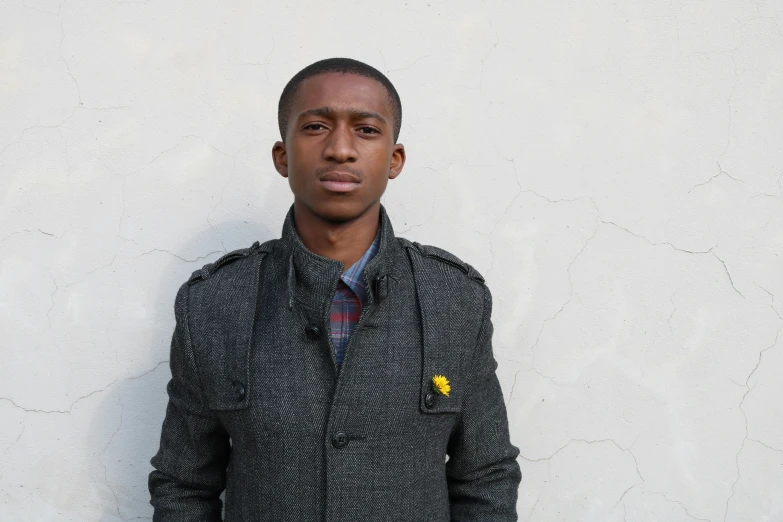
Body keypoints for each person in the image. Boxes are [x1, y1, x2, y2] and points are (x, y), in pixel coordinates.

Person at [148, 57, 521, 521]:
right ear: (282, 155)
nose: (340, 149)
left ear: (395, 159)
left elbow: (485, 477)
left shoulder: (454, 300)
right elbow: (184, 485)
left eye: (366, 130)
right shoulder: (215, 304)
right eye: (316, 127)